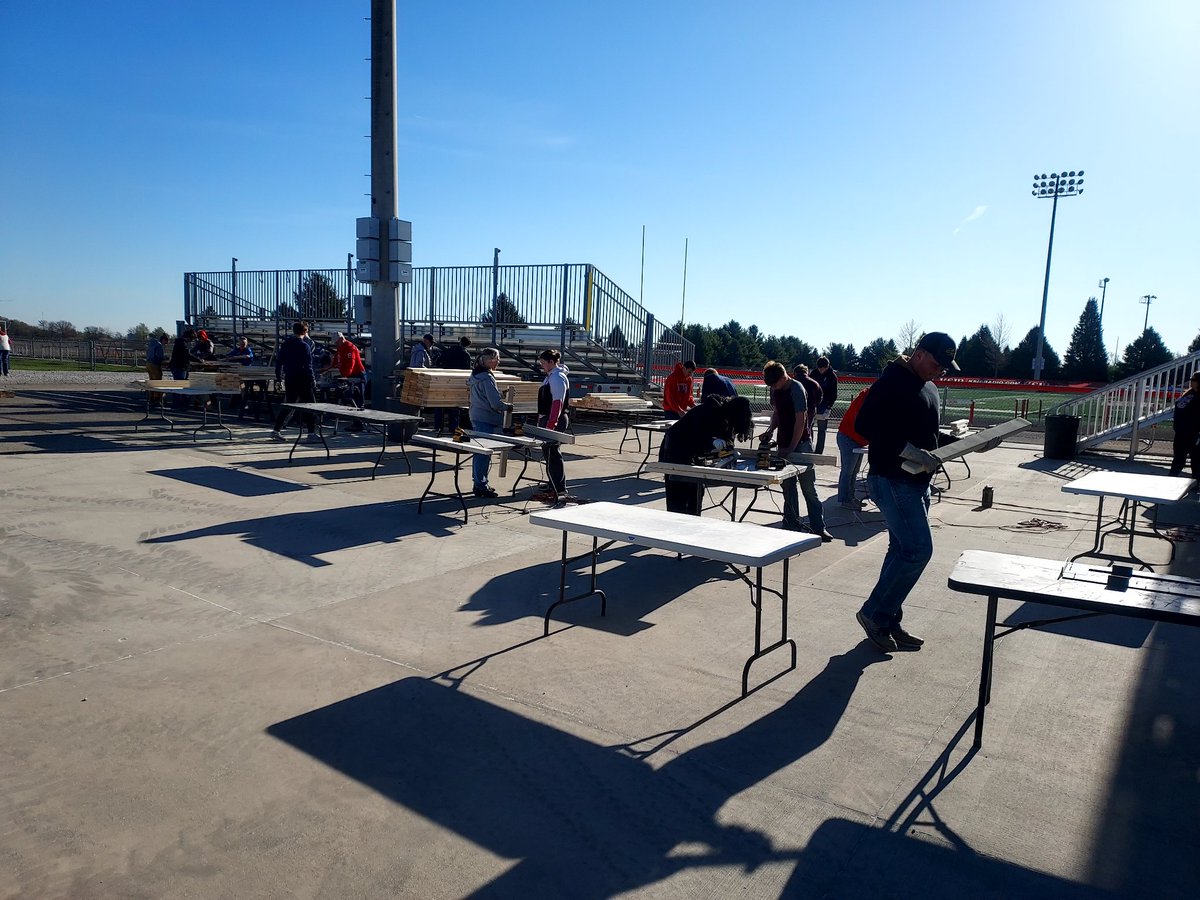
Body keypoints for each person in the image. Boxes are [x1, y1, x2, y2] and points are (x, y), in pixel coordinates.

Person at [853, 331, 961, 653]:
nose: (939, 370)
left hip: (917, 482)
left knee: (900, 551)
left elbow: (928, 435)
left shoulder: (928, 387)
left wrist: (971, 444)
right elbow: (865, 425)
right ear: (918, 353)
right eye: (936, 363)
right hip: (892, 479)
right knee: (917, 550)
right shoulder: (892, 382)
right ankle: (874, 613)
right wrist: (909, 451)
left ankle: (887, 619)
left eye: (944, 366)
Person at [761, 361, 832, 541]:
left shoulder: (797, 389)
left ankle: (818, 527)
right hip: (783, 442)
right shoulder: (776, 389)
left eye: (775, 384)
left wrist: (791, 448)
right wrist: (770, 431)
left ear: (784, 377)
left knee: (808, 488)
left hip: (801, 443)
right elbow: (777, 413)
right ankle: (791, 524)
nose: (774, 387)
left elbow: (801, 421)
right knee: (788, 487)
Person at [659, 395, 754, 515]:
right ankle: (676, 522)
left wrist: (729, 450)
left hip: (694, 452)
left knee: (697, 490)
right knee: (678, 491)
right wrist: (711, 441)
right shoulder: (708, 411)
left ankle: (694, 519)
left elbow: (728, 436)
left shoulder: (728, 417)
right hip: (676, 447)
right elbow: (695, 434)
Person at [468, 347, 513, 498]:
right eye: (497, 359)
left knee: (479, 452)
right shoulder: (487, 377)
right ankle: (481, 485)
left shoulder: (476, 374)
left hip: (476, 415)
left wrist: (500, 394)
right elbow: (494, 403)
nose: (498, 362)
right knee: (484, 453)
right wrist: (507, 407)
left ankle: (479, 482)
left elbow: (486, 395)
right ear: (489, 360)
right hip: (485, 418)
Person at [270, 321, 319, 442]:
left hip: (290, 377)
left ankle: (276, 430)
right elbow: (308, 365)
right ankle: (311, 433)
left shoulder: (286, 344)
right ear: (305, 332)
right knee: (310, 405)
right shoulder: (304, 346)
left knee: (289, 403)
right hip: (303, 378)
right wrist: (312, 379)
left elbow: (279, 360)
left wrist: (278, 376)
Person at [533, 349, 571, 502]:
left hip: (555, 419)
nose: (542, 366)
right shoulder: (550, 377)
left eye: (543, 363)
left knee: (553, 451)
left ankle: (559, 487)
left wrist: (551, 424)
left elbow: (557, 402)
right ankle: (553, 483)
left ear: (551, 362)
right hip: (548, 417)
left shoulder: (557, 378)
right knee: (548, 452)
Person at [836, 387, 870, 508]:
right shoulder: (864, 400)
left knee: (854, 471)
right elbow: (863, 424)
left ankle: (850, 497)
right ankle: (845, 499)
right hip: (848, 438)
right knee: (847, 471)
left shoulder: (867, 398)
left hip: (855, 439)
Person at [435, 336, 473, 433]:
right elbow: (467, 371)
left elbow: (438, 362)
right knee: (455, 406)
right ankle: (453, 427)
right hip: (457, 382)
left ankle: (438, 426)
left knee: (440, 404)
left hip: (445, 379)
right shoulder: (465, 354)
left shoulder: (448, 351)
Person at [1170, 372, 1200, 478]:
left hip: (1194, 433)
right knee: (1178, 458)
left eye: (1195, 380)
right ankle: (1171, 479)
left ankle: (1196, 482)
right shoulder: (1188, 394)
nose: (1192, 382)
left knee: (1196, 460)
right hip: (1181, 432)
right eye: (1192, 380)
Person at [812, 357, 839, 455]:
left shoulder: (832, 376)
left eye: (823, 368)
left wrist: (828, 408)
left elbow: (834, 394)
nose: (821, 370)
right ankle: (809, 448)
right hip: (813, 403)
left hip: (825, 404)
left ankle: (819, 451)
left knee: (822, 429)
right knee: (809, 426)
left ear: (827, 367)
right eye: (820, 368)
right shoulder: (814, 374)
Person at [168, 329, 198, 408]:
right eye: (192, 339)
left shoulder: (179, 342)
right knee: (180, 386)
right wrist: (199, 360)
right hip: (180, 367)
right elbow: (187, 355)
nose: (191, 341)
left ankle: (180, 404)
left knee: (181, 386)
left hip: (178, 366)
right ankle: (178, 405)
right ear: (189, 337)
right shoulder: (182, 343)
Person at [145, 333, 170, 401]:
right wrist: (166, 358)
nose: (165, 345)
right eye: (165, 343)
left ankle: (151, 397)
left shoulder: (151, 344)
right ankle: (157, 397)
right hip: (155, 365)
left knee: (152, 381)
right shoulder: (159, 345)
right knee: (157, 382)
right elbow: (160, 356)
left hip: (148, 364)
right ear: (164, 340)